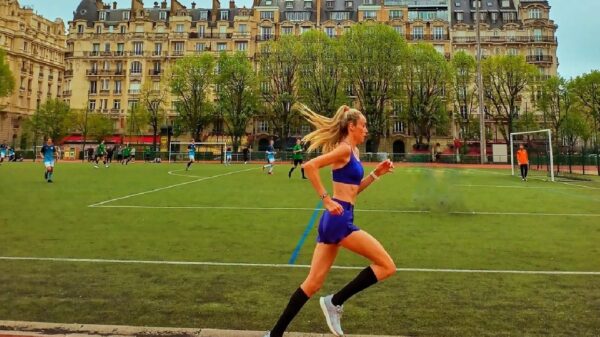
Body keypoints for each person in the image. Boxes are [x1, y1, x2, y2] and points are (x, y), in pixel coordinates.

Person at [264, 105, 396, 337]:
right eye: (363, 125)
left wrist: (376, 174)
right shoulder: (344, 150)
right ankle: (335, 301)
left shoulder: (353, 152)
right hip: (339, 219)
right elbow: (310, 166)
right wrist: (325, 199)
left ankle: (274, 334)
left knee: (312, 284)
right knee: (387, 266)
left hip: (336, 217)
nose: (366, 130)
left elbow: (353, 191)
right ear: (352, 126)